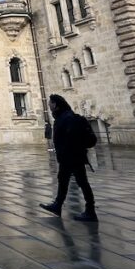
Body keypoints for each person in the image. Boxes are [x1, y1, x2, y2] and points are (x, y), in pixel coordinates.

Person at [39, 94, 97, 222]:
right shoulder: (63, 117)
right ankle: (58, 205)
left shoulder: (68, 118)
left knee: (82, 182)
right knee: (63, 180)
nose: (49, 105)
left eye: (50, 103)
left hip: (72, 157)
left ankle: (90, 210)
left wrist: (67, 152)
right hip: (68, 157)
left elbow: (72, 138)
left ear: (56, 104)